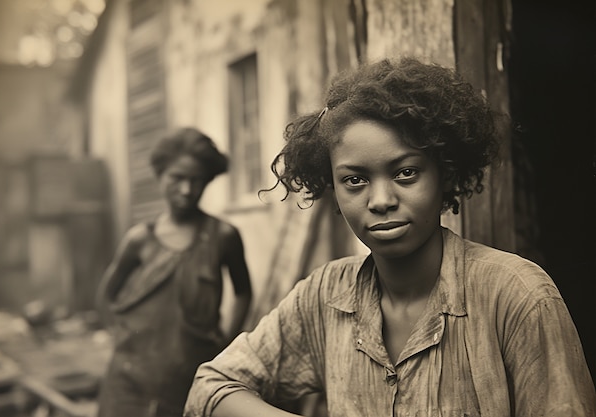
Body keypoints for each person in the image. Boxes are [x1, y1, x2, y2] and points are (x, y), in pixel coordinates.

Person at [183, 58, 596, 417]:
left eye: (405, 173)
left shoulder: (517, 296)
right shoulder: (325, 297)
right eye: (355, 180)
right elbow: (211, 387)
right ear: (333, 188)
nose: (380, 201)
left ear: (445, 174)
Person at [95, 128, 252, 417]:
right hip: (129, 380)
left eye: (196, 181)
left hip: (190, 375)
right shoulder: (139, 239)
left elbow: (243, 292)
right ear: (160, 177)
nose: (186, 190)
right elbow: (107, 294)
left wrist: (225, 345)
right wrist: (119, 336)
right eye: (177, 178)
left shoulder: (223, 236)